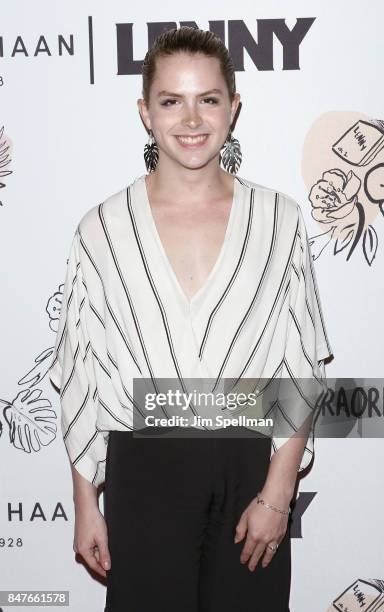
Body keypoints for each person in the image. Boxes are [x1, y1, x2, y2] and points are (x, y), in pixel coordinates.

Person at [48, 26, 333, 612]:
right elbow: (83, 375)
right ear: (145, 113)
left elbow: (300, 368)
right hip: (143, 467)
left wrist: (278, 494)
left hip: (248, 465)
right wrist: (85, 504)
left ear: (233, 107)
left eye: (208, 98)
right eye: (171, 101)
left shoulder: (279, 220)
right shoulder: (100, 229)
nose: (191, 118)